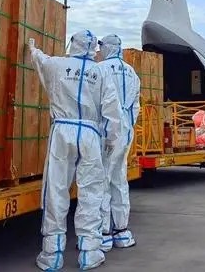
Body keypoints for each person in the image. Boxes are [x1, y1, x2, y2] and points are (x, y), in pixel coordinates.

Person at [29, 29, 122, 271]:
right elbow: (113, 110)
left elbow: (40, 60)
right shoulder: (101, 72)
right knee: (91, 191)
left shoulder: (58, 65)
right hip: (90, 134)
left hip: (62, 130)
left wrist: (32, 48)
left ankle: (52, 253)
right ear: (93, 49)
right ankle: (89, 252)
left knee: (56, 189)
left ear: (73, 44)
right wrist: (111, 140)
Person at [96, 34, 141, 251]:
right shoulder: (132, 72)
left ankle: (103, 233)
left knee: (102, 180)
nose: (100, 50)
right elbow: (135, 106)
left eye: (102, 46)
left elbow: (96, 102)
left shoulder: (100, 69)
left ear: (108, 47)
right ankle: (121, 231)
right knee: (119, 179)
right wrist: (127, 126)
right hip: (125, 130)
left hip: (106, 129)